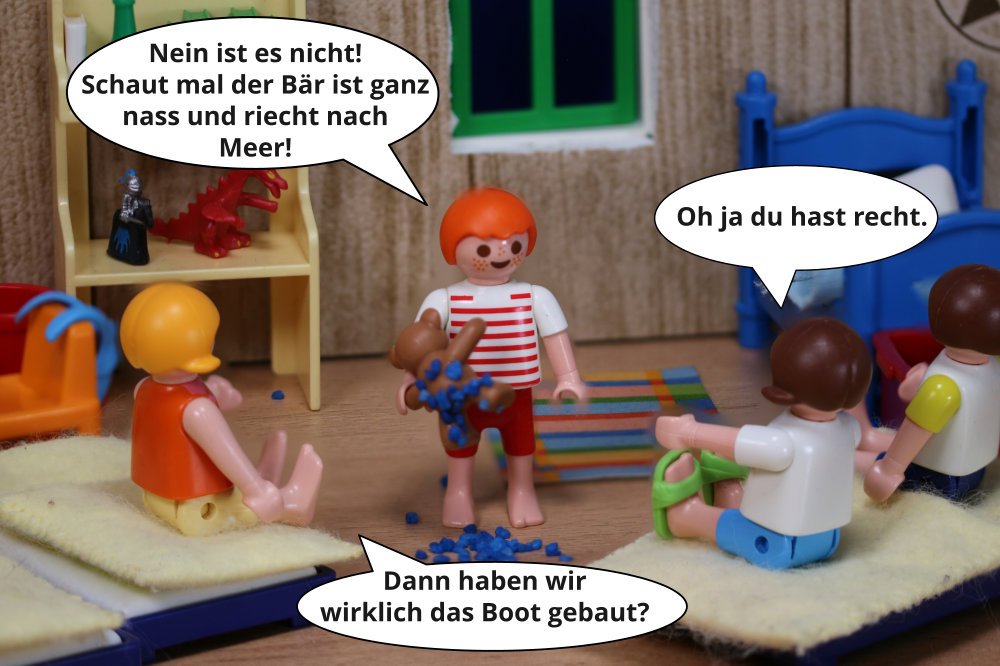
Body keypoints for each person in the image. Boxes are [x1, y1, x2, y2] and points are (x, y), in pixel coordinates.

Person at [397, 188, 586, 528]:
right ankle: (458, 492)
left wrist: (569, 377)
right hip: (462, 392)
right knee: (459, 443)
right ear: (452, 249)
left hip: (516, 391)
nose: (502, 254)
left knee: (520, 441)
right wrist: (410, 382)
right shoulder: (445, 299)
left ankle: (522, 490)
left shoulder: (533, 296)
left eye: (514, 244)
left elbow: (555, 336)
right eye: (483, 249)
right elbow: (419, 348)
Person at [655, 318, 871, 569]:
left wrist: (688, 431)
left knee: (736, 526)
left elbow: (740, 441)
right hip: (828, 540)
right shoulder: (849, 429)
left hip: (775, 544)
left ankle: (685, 516)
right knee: (762, 483)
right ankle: (731, 494)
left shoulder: (784, 442)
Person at [121, 283, 323, 536]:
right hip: (198, 508)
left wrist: (210, 392)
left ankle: (259, 480)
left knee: (245, 482)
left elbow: (167, 425)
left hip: (153, 497)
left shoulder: (142, 389)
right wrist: (256, 488)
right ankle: (293, 505)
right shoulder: (198, 410)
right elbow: (224, 451)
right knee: (259, 500)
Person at [865, 264, 1000, 502]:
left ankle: (852, 458)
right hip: (977, 469)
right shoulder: (993, 366)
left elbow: (915, 431)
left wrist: (888, 469)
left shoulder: (943, 386)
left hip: (938, 479)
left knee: (868, 462)